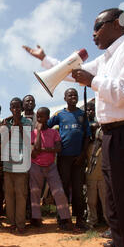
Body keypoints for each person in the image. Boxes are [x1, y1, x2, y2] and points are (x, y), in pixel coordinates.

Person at [24, 7, 124, 247]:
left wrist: (92, 81)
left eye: (97, 26)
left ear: (117, 23)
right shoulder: (109, 56)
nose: (93, 32)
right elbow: (74, 74)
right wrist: (46, 60)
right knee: (116, 208)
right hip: (113, 135)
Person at [46, 88, 90, 230]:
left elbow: (87, 136)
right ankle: (63, 219)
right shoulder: (60, 114)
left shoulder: (82, 115)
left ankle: (80, 219)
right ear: (65, 98)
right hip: (64, 157)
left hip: (79, 158)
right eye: (70, 95)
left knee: (78, 190)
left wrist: (83, 154)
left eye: (75, 95)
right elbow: (46, 126)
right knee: (63, 189)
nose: (73, 97)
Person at [30, 108, 73, 230]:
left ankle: (66, 219)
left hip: (50, 166)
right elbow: (34, 152)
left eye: (42, 117)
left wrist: (42, 150)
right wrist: (38, 132)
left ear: (48, 118)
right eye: (38, 116)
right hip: (36, 165)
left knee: (58, 191)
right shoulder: (33, 133)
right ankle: (36, 219)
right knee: (35, 192)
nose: (39, 119)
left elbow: (58, 148)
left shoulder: (54, 133)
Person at [1, 97, 32, 234]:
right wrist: (10, 124)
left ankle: (20, 224)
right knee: (9, 195)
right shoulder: (6, 123)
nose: (16, 109)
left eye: (18, 107)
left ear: (22, 108)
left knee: (21, 195)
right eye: (13, 107)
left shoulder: (28, 122)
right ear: (10, 109)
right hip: (8, 164)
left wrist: (18, 123)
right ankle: (11, 223)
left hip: (21, 164)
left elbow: (27, 139)